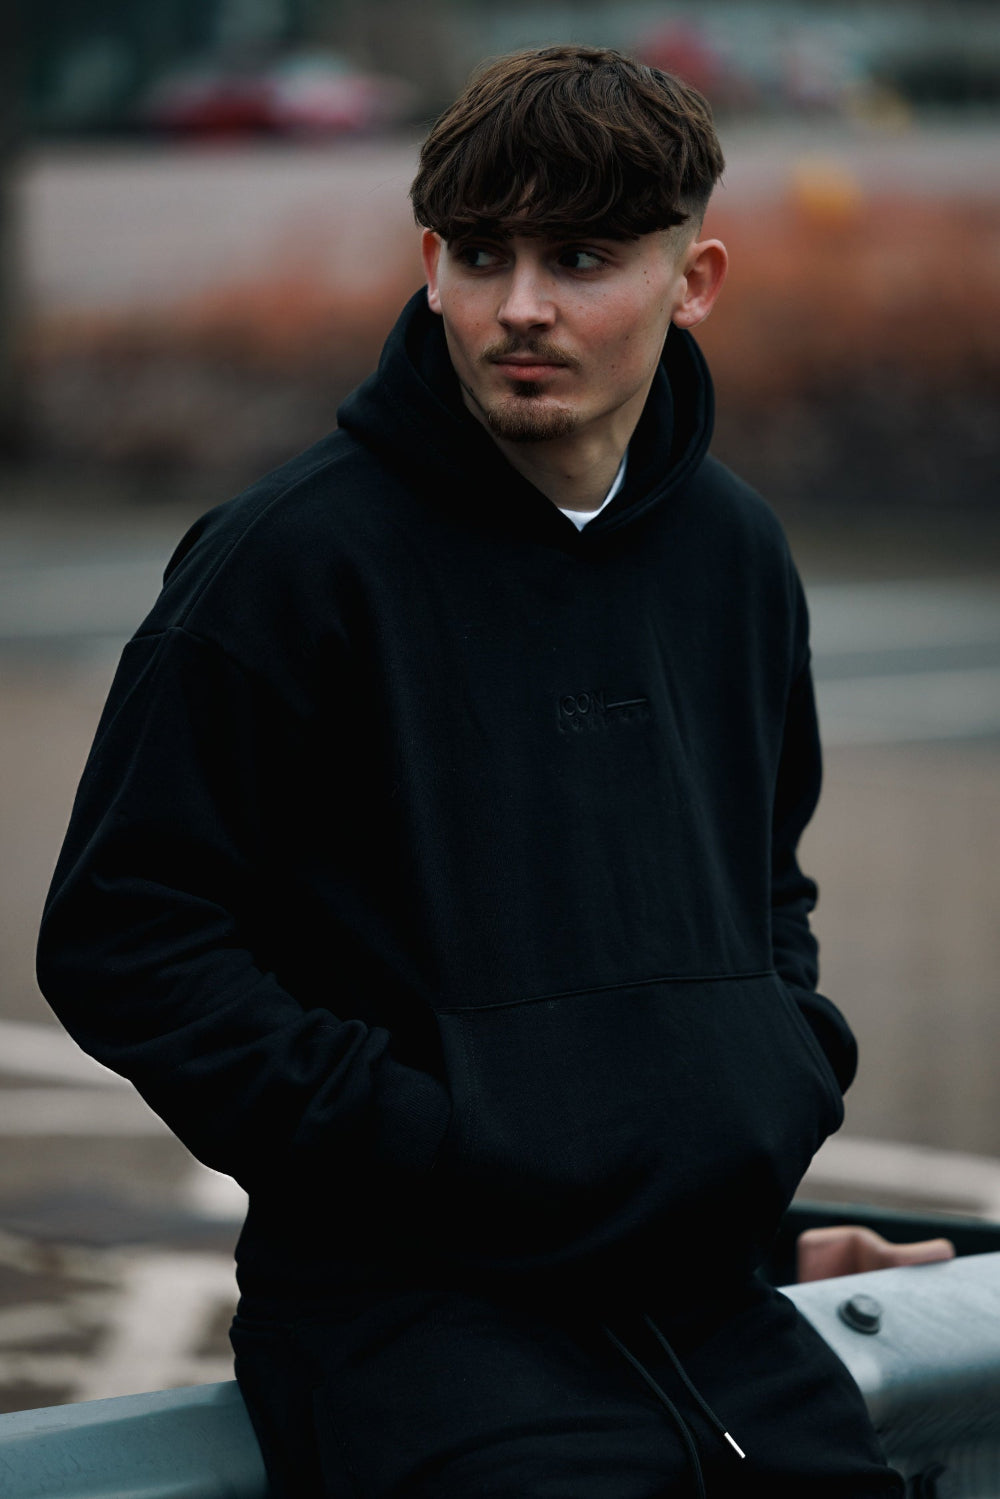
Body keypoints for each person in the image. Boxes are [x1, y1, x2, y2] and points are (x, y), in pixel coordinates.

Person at [38, 44, 906, 1497]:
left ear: (692, 280)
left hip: (710, 1311)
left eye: (583, 259)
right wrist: (427, 1148)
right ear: (431, 264)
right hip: (412, 1328)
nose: (522, 308)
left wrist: (772, 1078)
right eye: (483, 255)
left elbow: (766, 882)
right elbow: (127, 936)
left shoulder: (735, 554)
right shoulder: (290, 563)